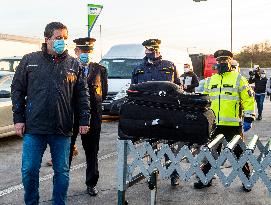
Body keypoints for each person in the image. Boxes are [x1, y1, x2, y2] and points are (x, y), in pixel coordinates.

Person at [11, 22, 90, 205]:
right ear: (47, 39)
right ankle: (32, 202)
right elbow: (17, 89)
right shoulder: (30, 60)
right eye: (58, 38)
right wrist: (18, 119)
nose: (62, 41)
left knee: (62, 171)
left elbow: (82, 94)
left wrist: (84, 119)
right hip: (34, 127)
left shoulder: (73, 64)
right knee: (29, 170)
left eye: (64, 38)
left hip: (61, 128)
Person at [194, 50, 255, 192]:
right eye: (219, 62)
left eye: (224, 61)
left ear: (230, 62)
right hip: (215, 124)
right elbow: (206, 100)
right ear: (216, 63)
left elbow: (248, 98)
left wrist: (248, 117)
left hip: (233, 125)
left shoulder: (238, 78)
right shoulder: (211, 80)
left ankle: (247, 179)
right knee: (210, 153)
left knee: (239, 153)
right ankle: (205, 179)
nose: (222, 64)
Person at [131, 39, 181, 186]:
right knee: (151, 145)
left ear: (158, 49)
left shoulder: (169, 66)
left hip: (167, 111)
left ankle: (174, 174)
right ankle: (152, 174)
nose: (152, 52)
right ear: (145, 50)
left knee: (170, 145)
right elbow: (134, 90)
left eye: (155, 49)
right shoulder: (138, 68)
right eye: (149, 49)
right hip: (148, 112)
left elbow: (177, 87)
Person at [70, 37, 108, 196]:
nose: (86, 54)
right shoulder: (68, 67)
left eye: (89, 51)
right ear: (76, 52)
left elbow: (103, 93)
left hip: (93, 117)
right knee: (66, 152)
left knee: (92, 152)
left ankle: (91, 183)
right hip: (71, 116)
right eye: (83, 51)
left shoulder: (100, 69)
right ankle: (62, 183)